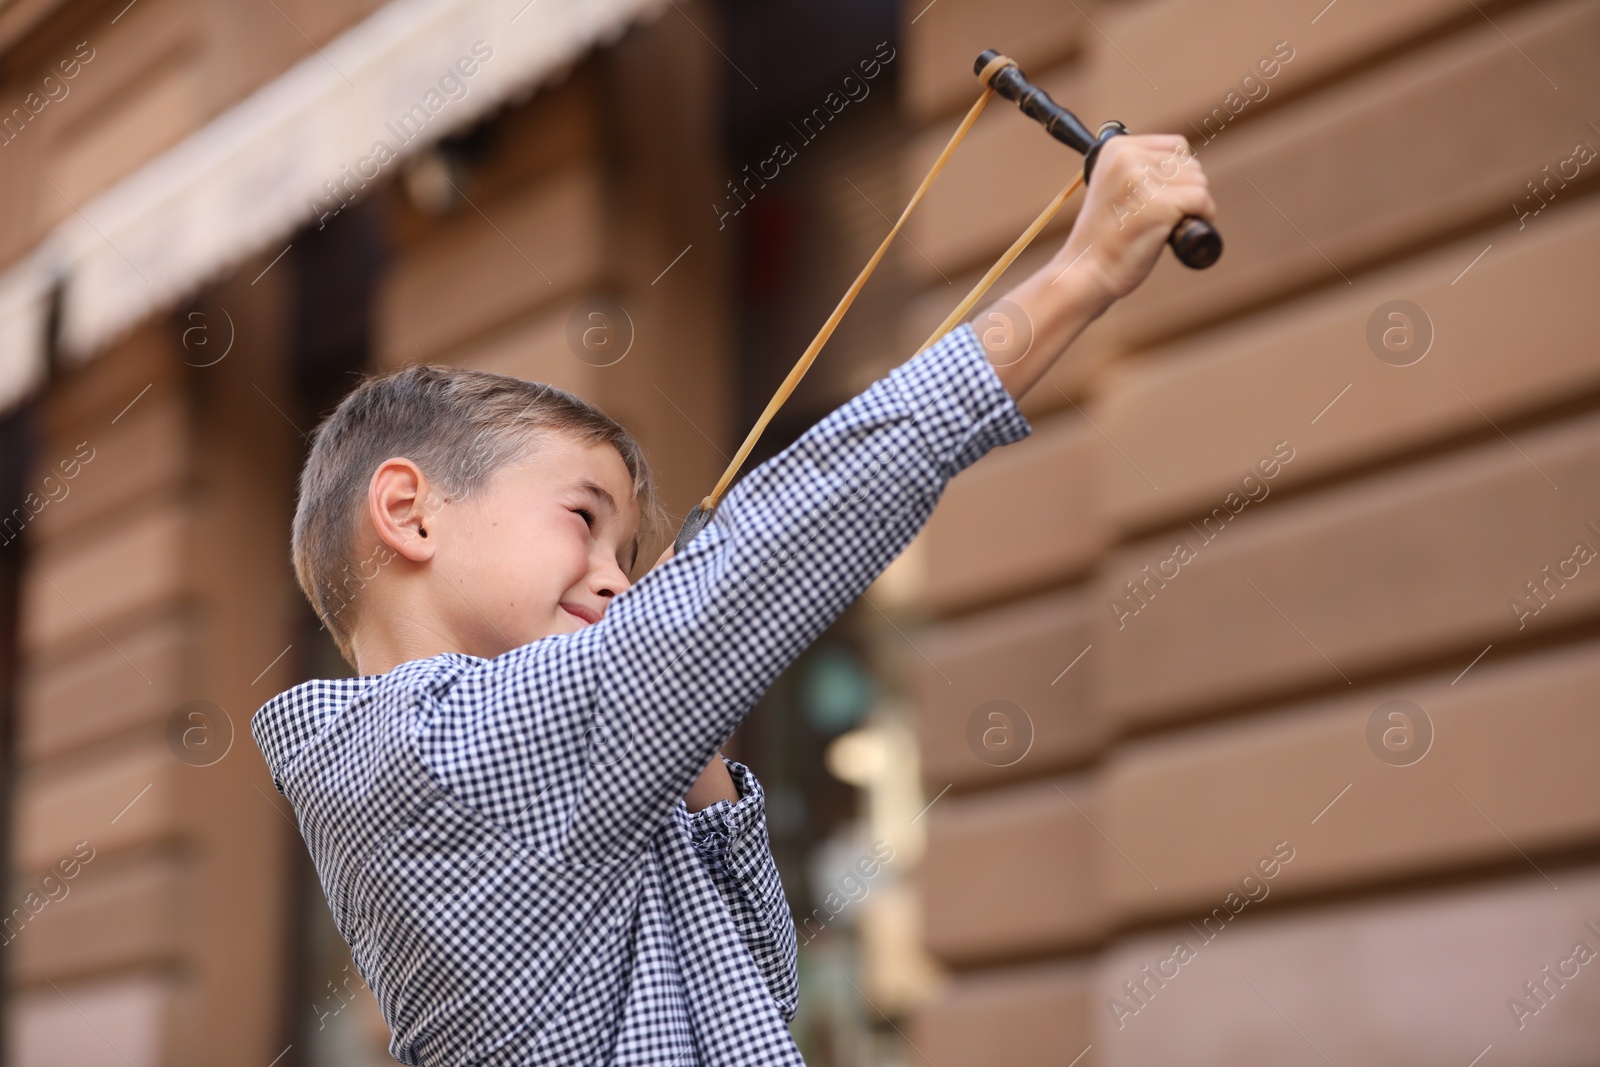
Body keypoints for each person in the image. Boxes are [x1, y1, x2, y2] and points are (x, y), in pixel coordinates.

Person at [252, 134, 1213, 1065]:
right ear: (411, 513)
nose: (616, 573)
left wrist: (694, 715)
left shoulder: (550, 768)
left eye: (627, 551)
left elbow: (753, 985)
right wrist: (1081, 273)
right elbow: (765, 561)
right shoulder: (429, 753)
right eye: (583, 518)